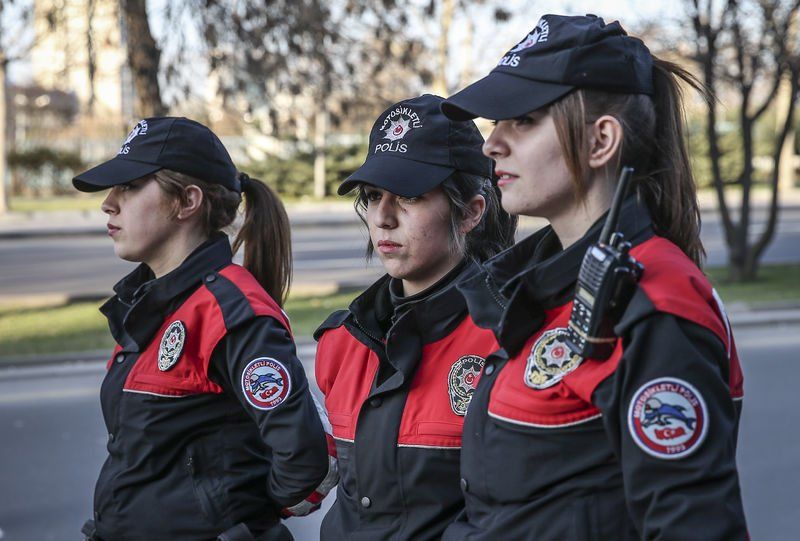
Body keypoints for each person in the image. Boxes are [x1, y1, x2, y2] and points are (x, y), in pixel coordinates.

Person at [438, 14, 748, 540]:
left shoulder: (655, 300)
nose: (492, 144)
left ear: (601, 140)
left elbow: (693, 525)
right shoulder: (549, 286)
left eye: (524, 120)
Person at [73, 117, 334, 541]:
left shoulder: (231, 311)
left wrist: (239, 520)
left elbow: (304, 459)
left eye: (130, 186)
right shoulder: (152, 303)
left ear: (187, 201)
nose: (109, 203)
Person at [313, 94, 517, 540]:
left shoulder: (509, 339)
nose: (383, 218)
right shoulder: (343, 340)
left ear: (471, 212)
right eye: (373, 196)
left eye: (408, 196)